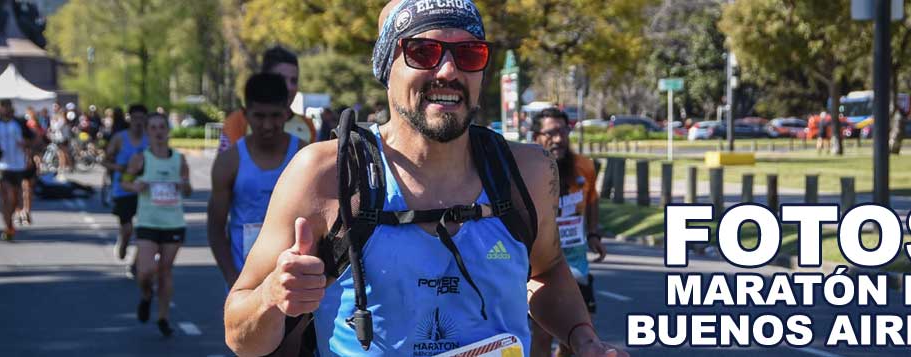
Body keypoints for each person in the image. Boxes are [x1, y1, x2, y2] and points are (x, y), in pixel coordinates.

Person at [223, 1, 627, 356]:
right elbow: (239, 335)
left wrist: (583, 337)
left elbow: (547, 271)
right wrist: (272, 297)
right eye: (423, 52)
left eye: (469, 54)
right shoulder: (327, 174)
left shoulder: (527, 171)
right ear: (387, 69)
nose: (448, 70)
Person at [207, 73, 304, 289]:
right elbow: (215, 226)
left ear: (287, 113)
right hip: (245, 283)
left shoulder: (305, 156)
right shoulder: (228, 161)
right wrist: (233, 278)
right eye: (259, 116)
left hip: (296, 284)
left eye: (275, 116)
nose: (268, 125)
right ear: (245, 114)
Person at [529, 108, 608, 357]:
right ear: (536, 136)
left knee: (577, 334)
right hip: (538, 264)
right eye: (551, 133)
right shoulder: (528, 171)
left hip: (575, 261)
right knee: (542, 332)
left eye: (563, 131)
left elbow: (592, 199)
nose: (559, 139)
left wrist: (594, 233)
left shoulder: (584, 166)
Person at [121, 113, 192, 337]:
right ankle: (145, 295)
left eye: (162, 127)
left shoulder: (179, 159)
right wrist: (136, 186)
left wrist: (183, 185)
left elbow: (188, 189)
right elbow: (124, 182)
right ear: (148, 132)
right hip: (148, 222)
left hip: (173, 223)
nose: (158, 131)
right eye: (153, 128)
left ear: (167, 130)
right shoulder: (140, 158)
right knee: (145, 272)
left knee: (165, 272)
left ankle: (163, 318)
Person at [218, 46, 315, 152]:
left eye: (294, 80)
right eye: (281, 79)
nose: (289, 87)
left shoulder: (308, 125)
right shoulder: (237, 122)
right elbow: (227, 165)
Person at [103, 104, 149, 269]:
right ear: (129, 119)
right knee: (128, 227)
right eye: (135, 118)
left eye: (141, 118)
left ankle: (136, 263)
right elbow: (105, 160)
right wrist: (119, 168)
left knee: (144, 229)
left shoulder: (150, 138)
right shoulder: (120, 138)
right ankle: (123, 242)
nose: (138, 122)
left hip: (144, 189)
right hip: (122, 188)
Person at [0, 99, 35, 240]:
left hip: (18, 165)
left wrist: (26, 145)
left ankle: (10, 222)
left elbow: (34, 140)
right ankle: (8, 227)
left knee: (15, 199)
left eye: (8, 106)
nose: (5, 109)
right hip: (1, 165)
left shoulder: (20, 123)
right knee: (5, 197)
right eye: (3, 107)